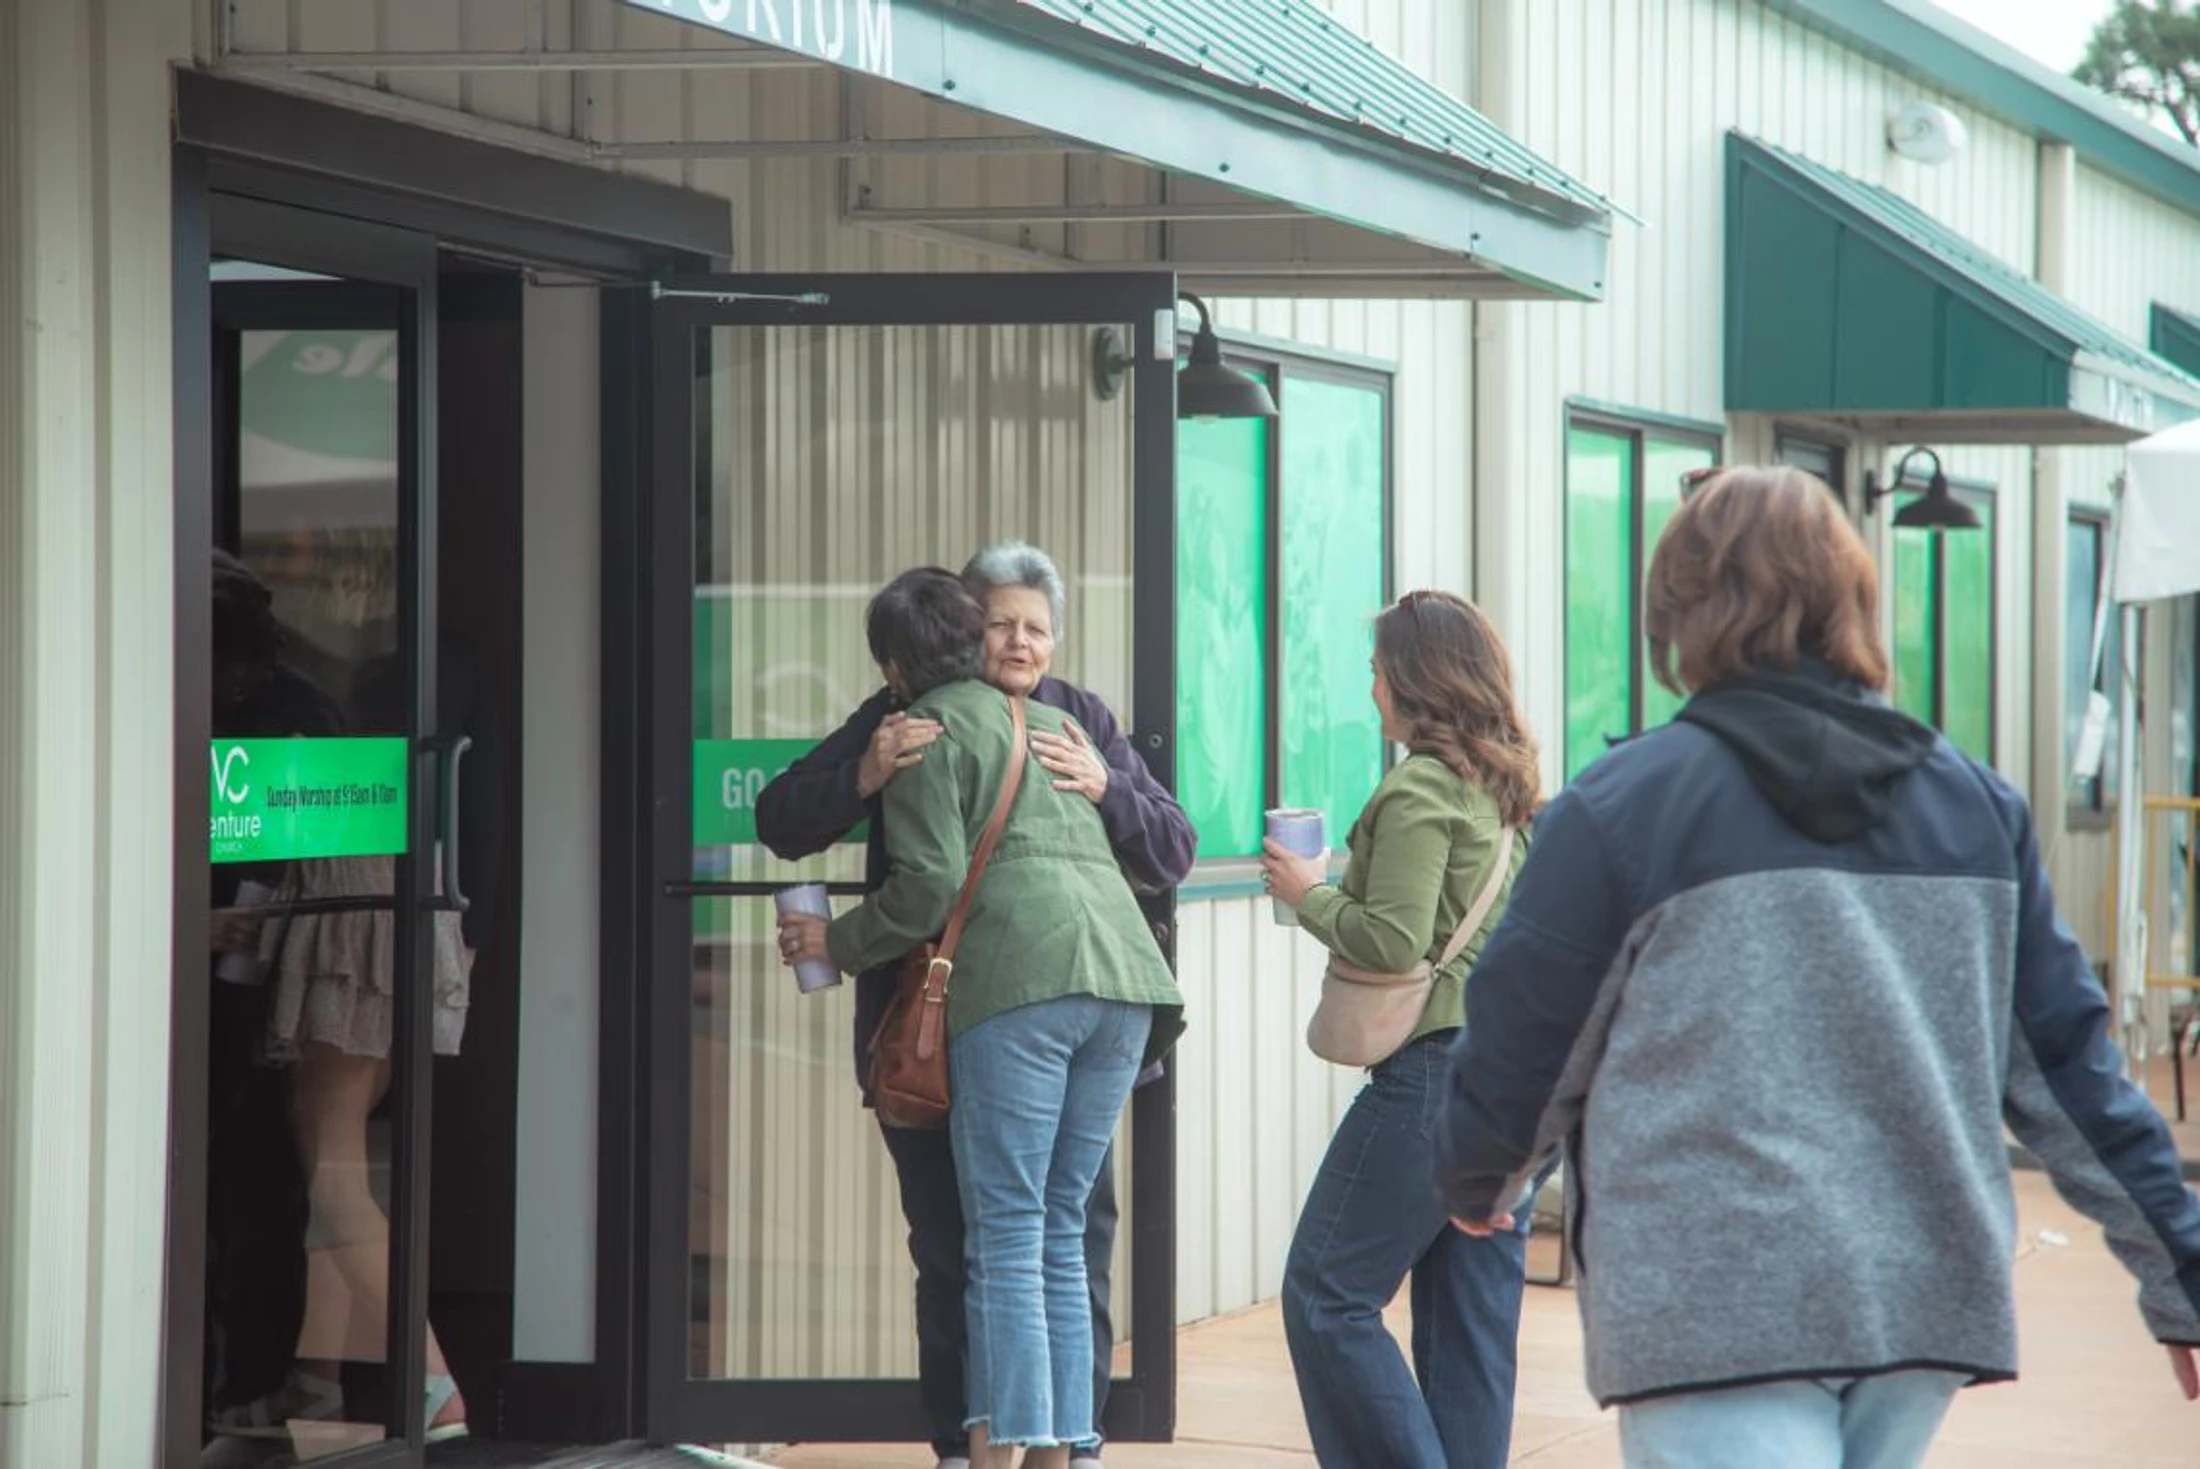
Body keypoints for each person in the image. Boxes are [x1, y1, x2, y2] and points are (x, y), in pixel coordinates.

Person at [1434, 465, 2200, 1469]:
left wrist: (1485, 1169)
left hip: (1711, 1299)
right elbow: (2068, 1069)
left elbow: (1530, 1026)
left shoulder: (1620, 810)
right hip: (1916, 1300)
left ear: (1681, 612)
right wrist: (2177, 1264)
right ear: (1853, 600)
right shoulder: (1973, 810)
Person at [755, 542, 1193, 1469]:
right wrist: (862, 775)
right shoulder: (898, 719)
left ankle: (1055, 1449)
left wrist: (1111, 789)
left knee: (1045, 1239)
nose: (1019, 641)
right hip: (942, 1026)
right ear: (964, 628)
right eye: (1001, 621)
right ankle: (973, 1443)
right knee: (964, 1245)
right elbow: (781, 816)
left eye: (1037, 628)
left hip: (1023, 1007)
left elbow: (1172, 849)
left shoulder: (1077, 720)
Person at [1259, 589, 1541, 1469]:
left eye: (1378, 671)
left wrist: (1308, 892)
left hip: (1436, 1079)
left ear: (1415, 682)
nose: (1371, 688)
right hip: (1514, 1082)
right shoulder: (1503, 791)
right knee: (1469, 1327)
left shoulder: (1422, 786)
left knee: (1325, 1295)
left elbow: (1392, 941)